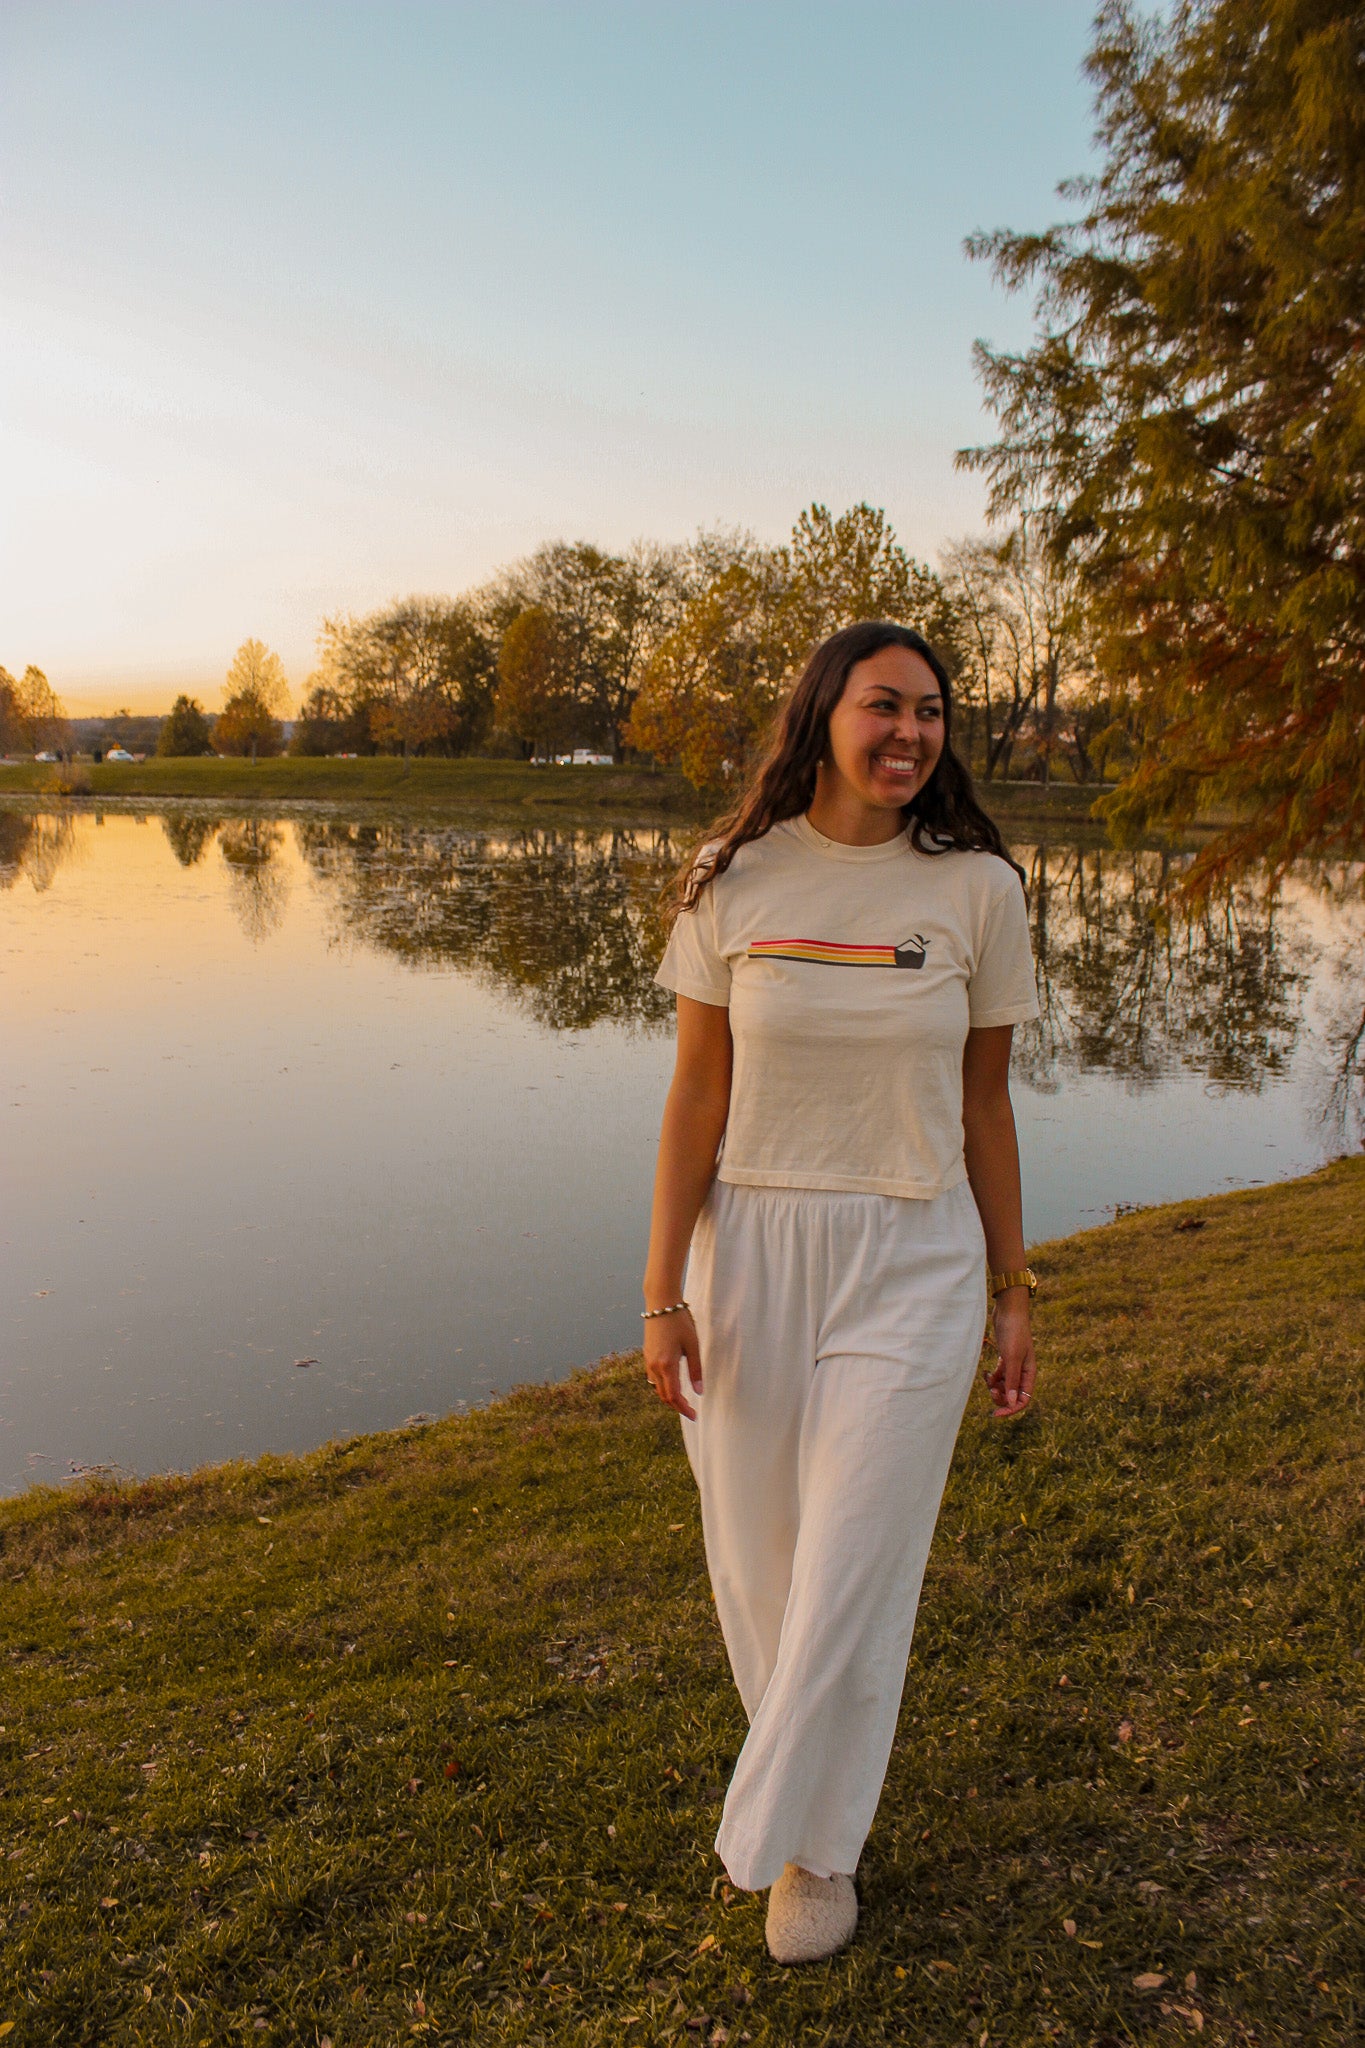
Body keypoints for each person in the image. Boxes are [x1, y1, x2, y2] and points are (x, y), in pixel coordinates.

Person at [641, 621, 1040, 1964]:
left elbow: (984, 1105)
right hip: (748, 1246)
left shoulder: (978, 889)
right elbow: (695, 1094)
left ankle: (809, 1851)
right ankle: (807, 1809)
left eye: (930, 714)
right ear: (821, 715)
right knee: (759, 1562)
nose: (910, 736)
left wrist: (1013, 1285)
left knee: (853, 1566)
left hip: (913, 1259)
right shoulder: (730, 879)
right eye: (884, 707)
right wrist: (660, 1292)